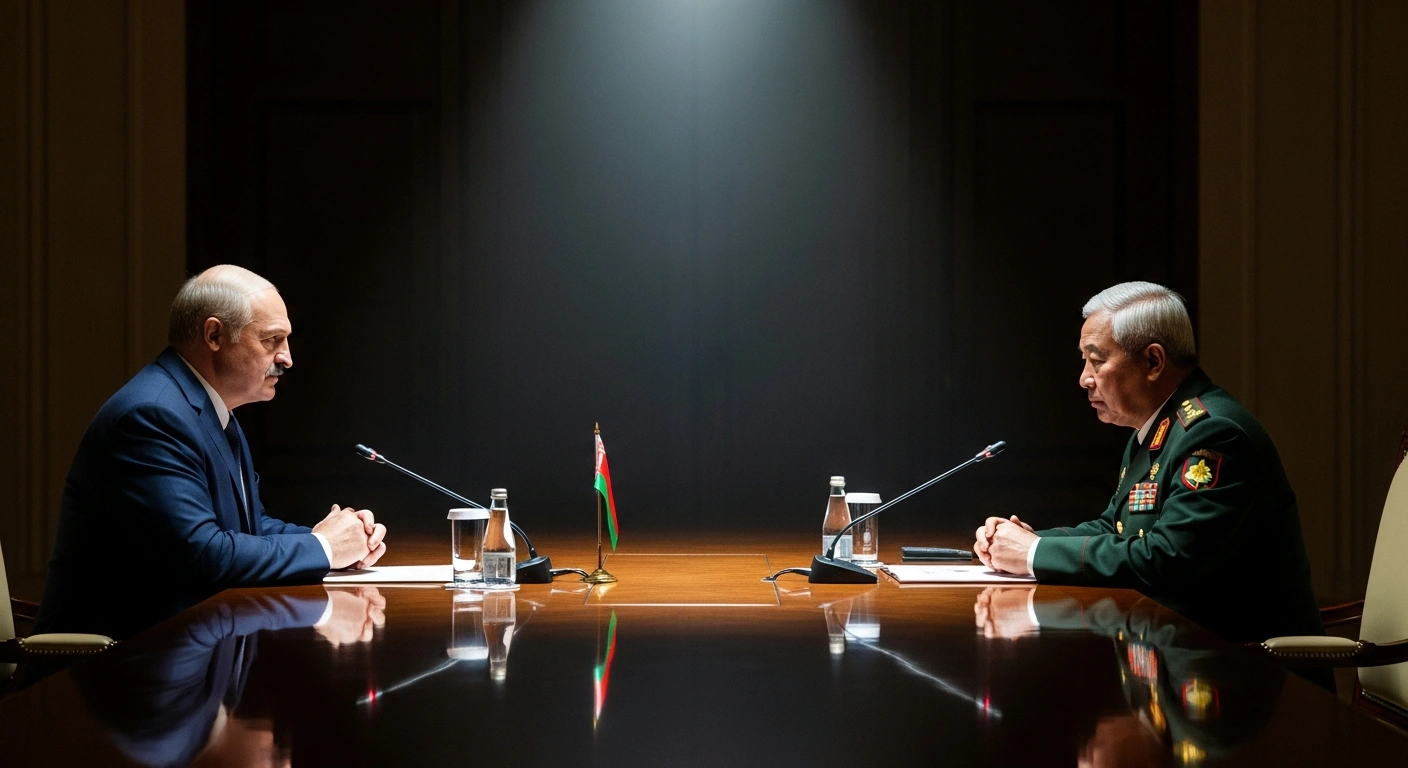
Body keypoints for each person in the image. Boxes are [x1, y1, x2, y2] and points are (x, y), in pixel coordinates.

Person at [34, 265, 388, 640]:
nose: (287, 358)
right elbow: (202, 555)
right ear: (214, 335)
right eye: (272, 340)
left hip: (187, 652)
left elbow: (248, 528)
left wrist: (340, 541)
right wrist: (322, 547)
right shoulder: (152, 415)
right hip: (115, 669)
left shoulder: (210, 410)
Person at [973, 282, 1323, 644]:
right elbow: (1115, 528)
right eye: (1084, 361)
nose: (1084, 379)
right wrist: (1021, 541)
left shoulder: (1214, 434)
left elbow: (1169, 559)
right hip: (1171, 645)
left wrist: (1032, 553)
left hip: (1240, 667)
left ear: (1153, 361)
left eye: (1097, 360)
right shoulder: (1157, 428)